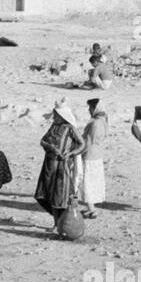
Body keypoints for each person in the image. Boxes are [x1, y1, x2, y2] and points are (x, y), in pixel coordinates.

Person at [34, 100, 83, 229]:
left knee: (60, 196)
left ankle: (63, 224)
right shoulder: (53, 127)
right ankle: (56, 223)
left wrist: (70, 153)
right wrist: (50, 147)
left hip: (63, 167)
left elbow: (81, 144)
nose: (54, 117)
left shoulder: (70, 128)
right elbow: (43, 141)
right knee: (49, 194)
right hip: (49, 165)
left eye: (56, 115)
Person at [80, 98, 108, 218]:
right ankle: (90, 207)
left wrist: (78, 151)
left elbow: (89, 141)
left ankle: (92, 209)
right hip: (97, 155)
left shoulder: (95, 123)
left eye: (90, 107)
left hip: (90, 155)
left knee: (87, 182)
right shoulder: (103, 120)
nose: (88, 110)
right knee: (93, 181)